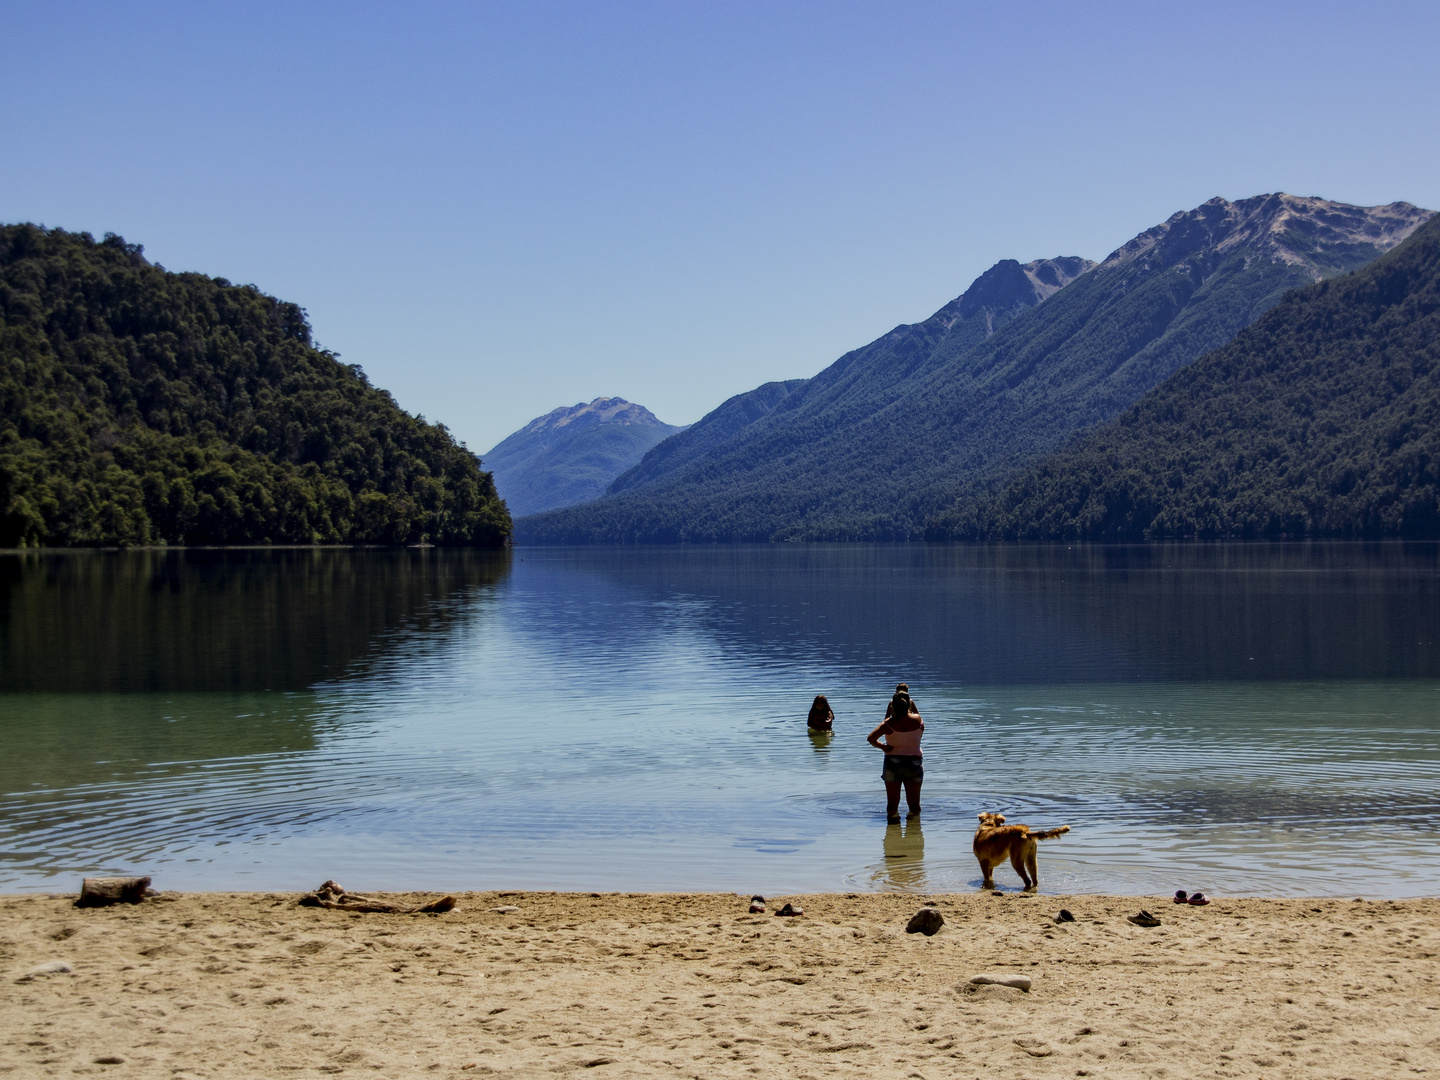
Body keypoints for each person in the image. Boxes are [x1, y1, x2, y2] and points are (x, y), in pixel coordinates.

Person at [867, 684, 923, 824]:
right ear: (908, 705)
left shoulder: (888, 724)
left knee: (892, 806)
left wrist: (884, 748)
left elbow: (871, 738)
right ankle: (914, 834)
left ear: (893, 708)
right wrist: (912, 704)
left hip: (892, 763)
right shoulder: (918, 721)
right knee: (914, 806)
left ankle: (892, 834)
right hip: (914, 763)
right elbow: (917, 715)